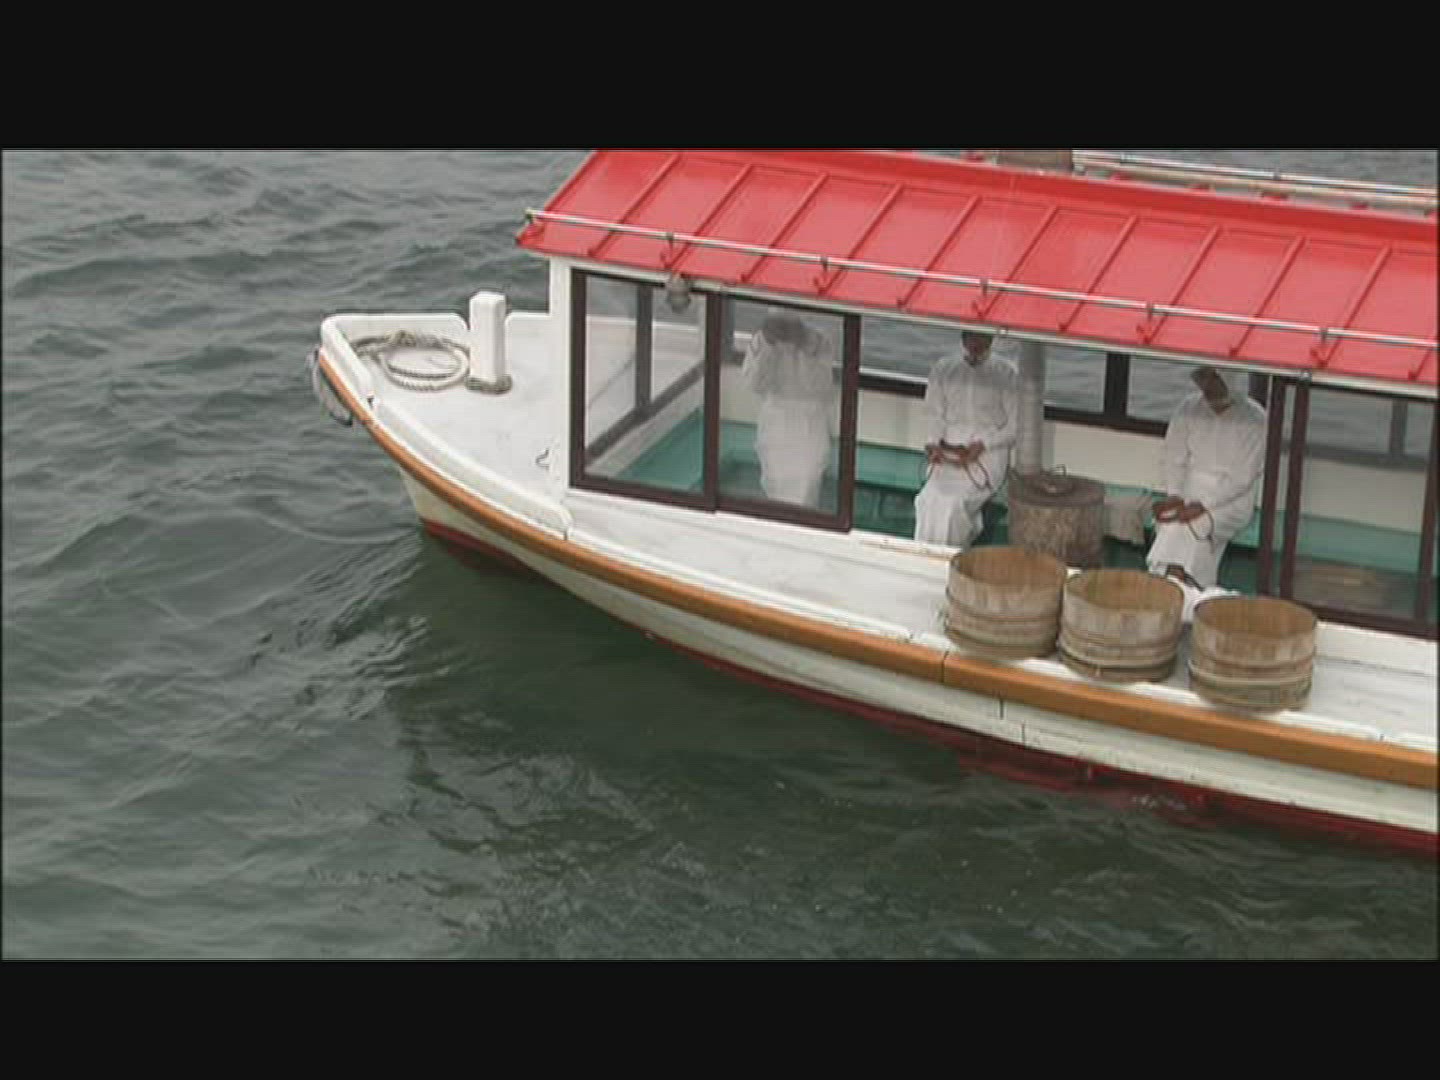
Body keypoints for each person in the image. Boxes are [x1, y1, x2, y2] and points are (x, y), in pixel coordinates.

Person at [1147, 366, 1267, 590]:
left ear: (1228, 379)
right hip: (1189, 491)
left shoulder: (1255, 417)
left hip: (1231, 501)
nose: (1207, 386)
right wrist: (1174, 495)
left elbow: (1243, 477)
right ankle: (1172, 585)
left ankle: (1186, 586)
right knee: (1170, 523)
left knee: (1194, 525)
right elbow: (1174, 456)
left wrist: (1204, 505)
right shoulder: (1188, 408)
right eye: (1202, 379)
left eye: (1213, 379)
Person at [913, 330, 1019, 548]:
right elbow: (934, 414)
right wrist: (933, 443)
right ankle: (923, 555)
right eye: (971, 337)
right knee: (926, 500)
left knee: (954, 504)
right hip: (947, 453)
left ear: (991, 339)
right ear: (963, 338)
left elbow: (1016, 427)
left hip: (987, 455)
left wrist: (984, 444)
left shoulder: (1007, 373)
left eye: (981, 337)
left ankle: (950, 555)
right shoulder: (944, 368)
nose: (976, 342)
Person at [741, 311, 838, 506]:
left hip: (810, 422)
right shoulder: (761, 341)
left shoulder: (818, 341)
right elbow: (755, 385)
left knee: (807, 483)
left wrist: (803, 349)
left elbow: (820, 387)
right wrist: (769, 348)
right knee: (774, 482)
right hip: (775, 420)